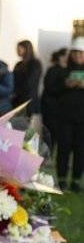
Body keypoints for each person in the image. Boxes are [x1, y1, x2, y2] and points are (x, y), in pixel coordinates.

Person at [52, 38, 84, 191]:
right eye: (75, 52)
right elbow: (52, 90)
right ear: (71, 53)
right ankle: (62, 180)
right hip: (64, 117)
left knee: (80, 150)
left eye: (81, 53)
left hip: (82, 119)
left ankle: (76, 181)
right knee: (63, 149)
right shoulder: (63, 70)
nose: (78, 55)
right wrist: (65, 85)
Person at [12, 40, 43, 124]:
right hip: (17, 100)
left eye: (20, 48)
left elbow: (30, 83)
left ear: (27, 49)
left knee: (24, 127)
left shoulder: (35, 63)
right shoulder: (18, 64)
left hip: (28, 101)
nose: (17, 50)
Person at [42, 48, 68, 143]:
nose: (66, 58)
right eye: (64, 55)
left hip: (63, 110)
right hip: (51, 108)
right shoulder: (52, 70)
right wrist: (65, 85)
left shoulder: (69, 70)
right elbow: (49, 88)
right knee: (50, 134)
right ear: (59, 57)